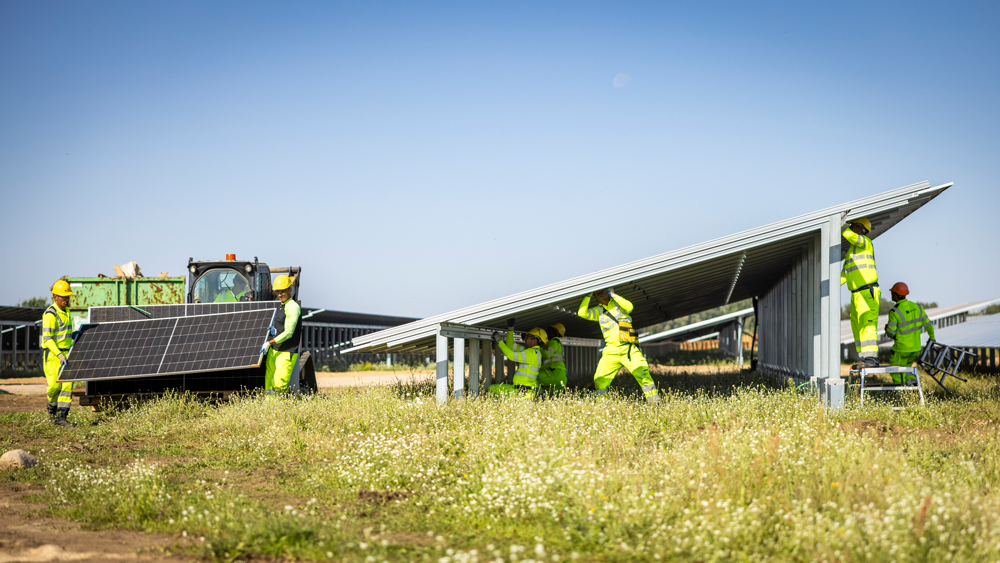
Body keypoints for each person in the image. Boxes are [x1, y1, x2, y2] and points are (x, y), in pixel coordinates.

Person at [578, 289, 659, 402]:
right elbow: (582, 313)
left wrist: (613, 295)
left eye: (602, 291)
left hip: (629, 349)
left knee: (643, 375)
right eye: (596, 293)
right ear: (594, 297)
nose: (599, 294)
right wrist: (587, 295)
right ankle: (603, 406)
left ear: (608, 291)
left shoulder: (618, 304)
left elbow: (629, 307)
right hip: (611, 351)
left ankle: (654, 403)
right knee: (600, 380)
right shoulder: (598, 311)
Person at [841, 217, 881, 368]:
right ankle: (865, 359)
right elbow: (844, 275)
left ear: (862, 229)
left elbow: (850, 236)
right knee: (857, 326)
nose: (851, 229)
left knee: (867, 325)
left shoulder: (865, 242)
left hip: (867, 291)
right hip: (856, 294)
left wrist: (841, 227)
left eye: (853, 226)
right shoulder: (851, 252)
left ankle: (871, 360)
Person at [884, 282, 935, 385]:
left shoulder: (894, 311)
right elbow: (929, 325)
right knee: (907, 369)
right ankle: (913, 386)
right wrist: (932, 338)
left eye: (892, 292)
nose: (891, 294)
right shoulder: (918, 307)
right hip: (915, 348)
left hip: (901, 349)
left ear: (896, 295)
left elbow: (890, 332)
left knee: (896, 371)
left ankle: (900, 395)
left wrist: (888, 330)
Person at [42, 280, 76, 427]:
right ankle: (51, 412)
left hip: (67, 354)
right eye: (63, 297)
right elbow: (48, 339)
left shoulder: (67, 312)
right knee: (54, 387)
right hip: (53, 356)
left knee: (67, 385)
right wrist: (59, 354)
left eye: (68, 296)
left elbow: (65, 334)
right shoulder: (50, 314)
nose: (66, 299)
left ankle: (62, 417)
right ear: (55, 297)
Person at [259, 275, 301, 394]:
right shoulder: (282, 306)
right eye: (278, 291)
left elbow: (288, 333)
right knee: (269, 382)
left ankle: (281, 410)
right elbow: (282, 328)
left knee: (279, 384)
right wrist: (274, 331)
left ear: (290, 289)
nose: (280, 294)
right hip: (275, 350)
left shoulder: (292, 307)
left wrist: (269, 342)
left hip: (286, 352)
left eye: (283, 291)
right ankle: (270, 408)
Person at [488, 327, 547, 399]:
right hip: (521, 390)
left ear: (534, 339)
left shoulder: (531, 353)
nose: (525, 339)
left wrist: (499, 341)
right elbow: (511, 345)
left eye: (527, 337)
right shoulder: (533, 352)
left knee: (492, 389)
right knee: (492, 388)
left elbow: (510, 356)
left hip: (523, 393)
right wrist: (510, 330)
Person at [538, 323, 567, 395]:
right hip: (559, 375)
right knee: (553, 398)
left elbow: (547, 354)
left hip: (553, 373)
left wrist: (536, 347)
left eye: (549, 330)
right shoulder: (556, 342)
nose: (547, 331)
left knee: (532, 377)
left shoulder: (554, 341)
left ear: (554, 331)